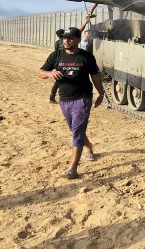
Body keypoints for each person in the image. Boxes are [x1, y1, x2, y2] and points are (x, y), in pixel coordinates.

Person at [38, 27, 106, 179]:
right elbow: (40, 72)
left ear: (78, 40)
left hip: (83, 98)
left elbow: (95, 76)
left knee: (77, 131)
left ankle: (73, 168)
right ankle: (89, 147)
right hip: (64, 99)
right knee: (75, 129)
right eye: (64, 38)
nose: (66, 41)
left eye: (70, 38)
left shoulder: (86, 57)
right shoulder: (56, 55)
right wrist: (49, 73)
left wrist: (101, 93)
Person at [47, 29, 65, 103]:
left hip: (59, 62)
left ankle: (52, 97)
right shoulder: (66, 41)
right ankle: (52, 97)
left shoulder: (57, 43)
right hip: (66, 62)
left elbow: (56, 53)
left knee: (58, 80)